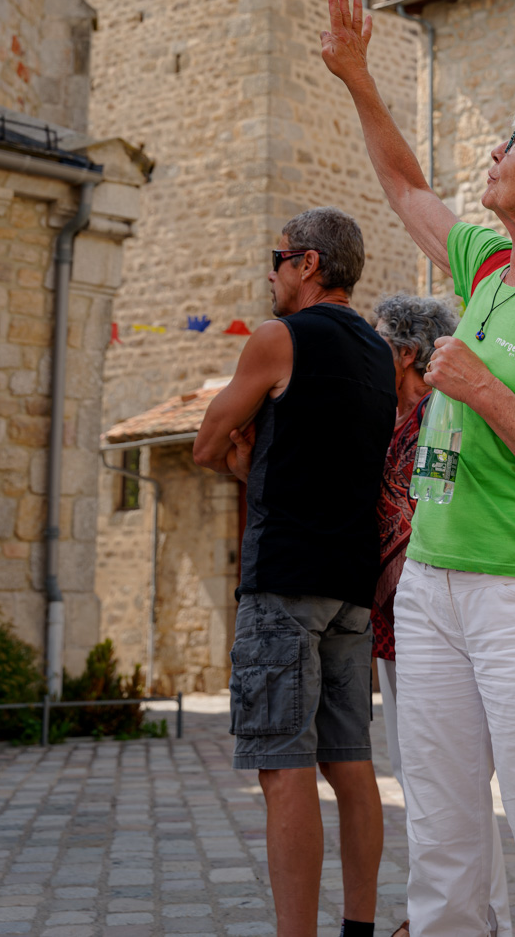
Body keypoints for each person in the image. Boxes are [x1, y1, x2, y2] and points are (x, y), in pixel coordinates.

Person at [321, 0, 515, 937]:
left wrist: (486, 388)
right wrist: (360, 79)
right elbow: (407, 186)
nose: (493, 152)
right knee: (446, 861)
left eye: (513, 141)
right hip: (431, 594)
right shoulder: (486, 269)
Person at [194, 206, 397, 937]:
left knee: (284, 769)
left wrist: (236, 456)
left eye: (277, 258)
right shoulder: (379, 354)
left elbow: (208, 436)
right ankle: (359, 928)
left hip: (284, 582)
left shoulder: (278, 338)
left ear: (308, 263)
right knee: (350, 763)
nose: (270, 272)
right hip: (351, 586)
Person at [372, 296, 512, 937]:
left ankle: (481, 918)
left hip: (426, 620)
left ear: (405, 352)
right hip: (401, 624)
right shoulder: (399, 419)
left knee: (447, 780)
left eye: (380, 341)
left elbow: (424, 509)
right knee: (425, 776)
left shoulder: (436, 414)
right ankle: (448, 914)